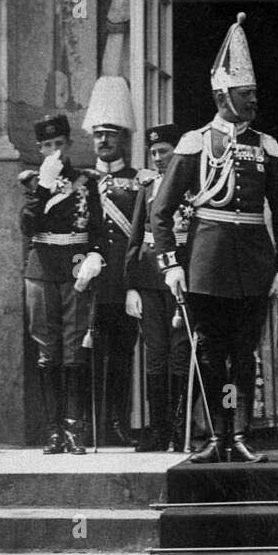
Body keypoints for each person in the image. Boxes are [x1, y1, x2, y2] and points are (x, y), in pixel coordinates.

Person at [150, 13, 278, 465]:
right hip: (205, 265)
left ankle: (239, 435)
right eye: (246, 93)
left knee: (244, 354)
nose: (254, 100)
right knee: (211, 355)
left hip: (254, 265)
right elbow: (160, 211)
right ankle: (217, 437)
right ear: (223, 95)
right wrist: (172, 265)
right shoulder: (194, 144)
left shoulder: (267, 145)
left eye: (253, 93)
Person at [19, 112, 106, 454]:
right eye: (47, 146)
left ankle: (74, 429)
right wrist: (43, 186)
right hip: (41, 269)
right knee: (47, 349)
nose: (54, 150)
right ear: (40, 149)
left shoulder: (86, 181)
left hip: (75, 268)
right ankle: (53, 430)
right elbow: (27, 225)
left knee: (75, 348)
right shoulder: (31, 184)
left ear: (68, 144)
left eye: (59, 144)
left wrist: (96, 255)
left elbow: (97, 228)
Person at [84, 75, 151, 447]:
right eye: (98, 134)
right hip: (90, 284)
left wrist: (135, 284)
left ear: (124, 138)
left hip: (125, 283)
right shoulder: (82, 181)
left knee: (123, 356)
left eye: (110, 133)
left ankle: (117, 423)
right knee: (89, 355)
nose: (104, 141)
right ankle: (90, 425)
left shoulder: (140, 181)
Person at [125, 123, 191, 452]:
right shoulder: (148, 188)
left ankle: (182, 428)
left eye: (163, 151)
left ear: (177, 151)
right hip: (150, 279)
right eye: (153, 153)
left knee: (181, 354)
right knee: (156, 356)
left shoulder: (193, 184)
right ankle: (158, 429)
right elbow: (136, 237)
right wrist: (131, 286)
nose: (157, 158)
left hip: (183, 277)